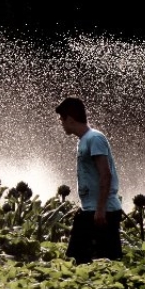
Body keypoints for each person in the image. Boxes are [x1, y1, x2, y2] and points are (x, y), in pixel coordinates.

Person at [55, 96, 123, 264]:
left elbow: (105, 175)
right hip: (90, 210)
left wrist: (100, 210)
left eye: (62, 120)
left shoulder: (95, 139)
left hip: (102, 213)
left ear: (70, 120)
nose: (61, 124)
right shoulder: (84, 141)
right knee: (79, 258)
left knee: (106, 262)